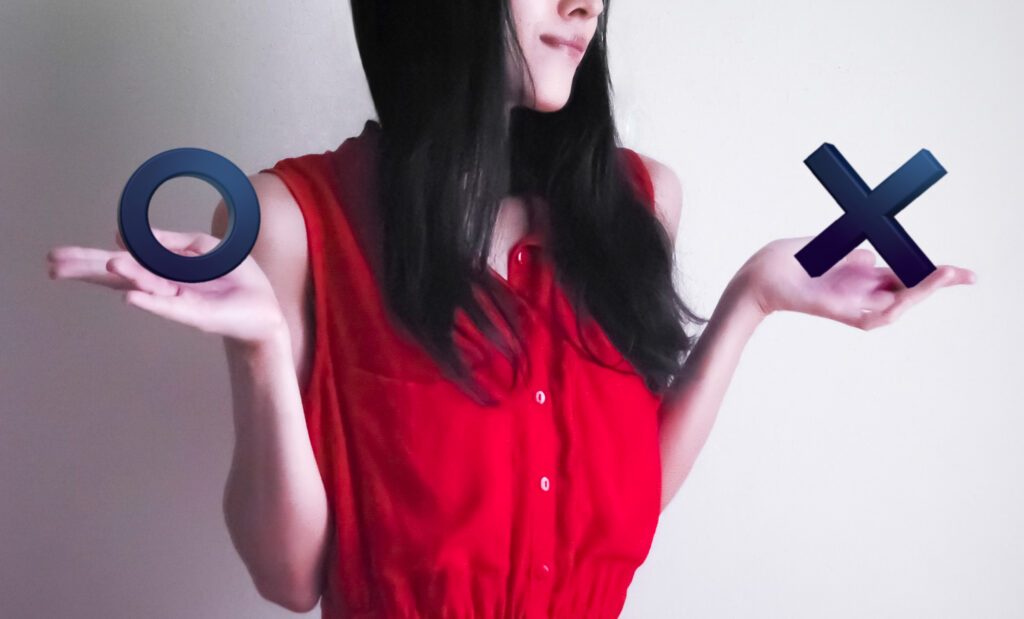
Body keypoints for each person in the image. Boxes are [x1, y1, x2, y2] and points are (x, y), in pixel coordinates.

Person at [46, 0, 977, 616]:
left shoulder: (639, 203)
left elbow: (622, 504)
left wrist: (753, 297)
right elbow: (289, 579)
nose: (587, 6)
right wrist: (258, 351)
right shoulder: (293, 220)